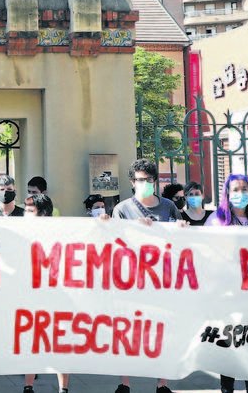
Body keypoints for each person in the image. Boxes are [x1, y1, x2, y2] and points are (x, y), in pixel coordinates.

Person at [107, 160, 177, 393]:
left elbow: (179, 239)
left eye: (148, 179)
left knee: (163, 330)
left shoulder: (168, 206)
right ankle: (124, 382)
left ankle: (162, 383)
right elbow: (115, 241)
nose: (144, 183)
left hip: (162, 279)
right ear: (132, 182)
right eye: (140, 179)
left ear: (155, 181)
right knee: (128, 330)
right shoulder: (123, 209)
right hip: (132, 279)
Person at [205, 175, 248, 393]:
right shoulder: (216, 220)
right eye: (235, 189)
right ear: (227, 193)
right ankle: (227, 389)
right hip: (226, 295)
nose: (240, 193)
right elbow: (204, 251)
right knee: (229, 346)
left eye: (244, 189)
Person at [22, 194, 70, 393]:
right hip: (32, 294)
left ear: (43, 213)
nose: (25, 214)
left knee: (61, 341)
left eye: (29, 211)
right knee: (31, 340)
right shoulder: (22, 232)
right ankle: (28, 386)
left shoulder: (61, 233)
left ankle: (63, 388)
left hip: (59, 295)